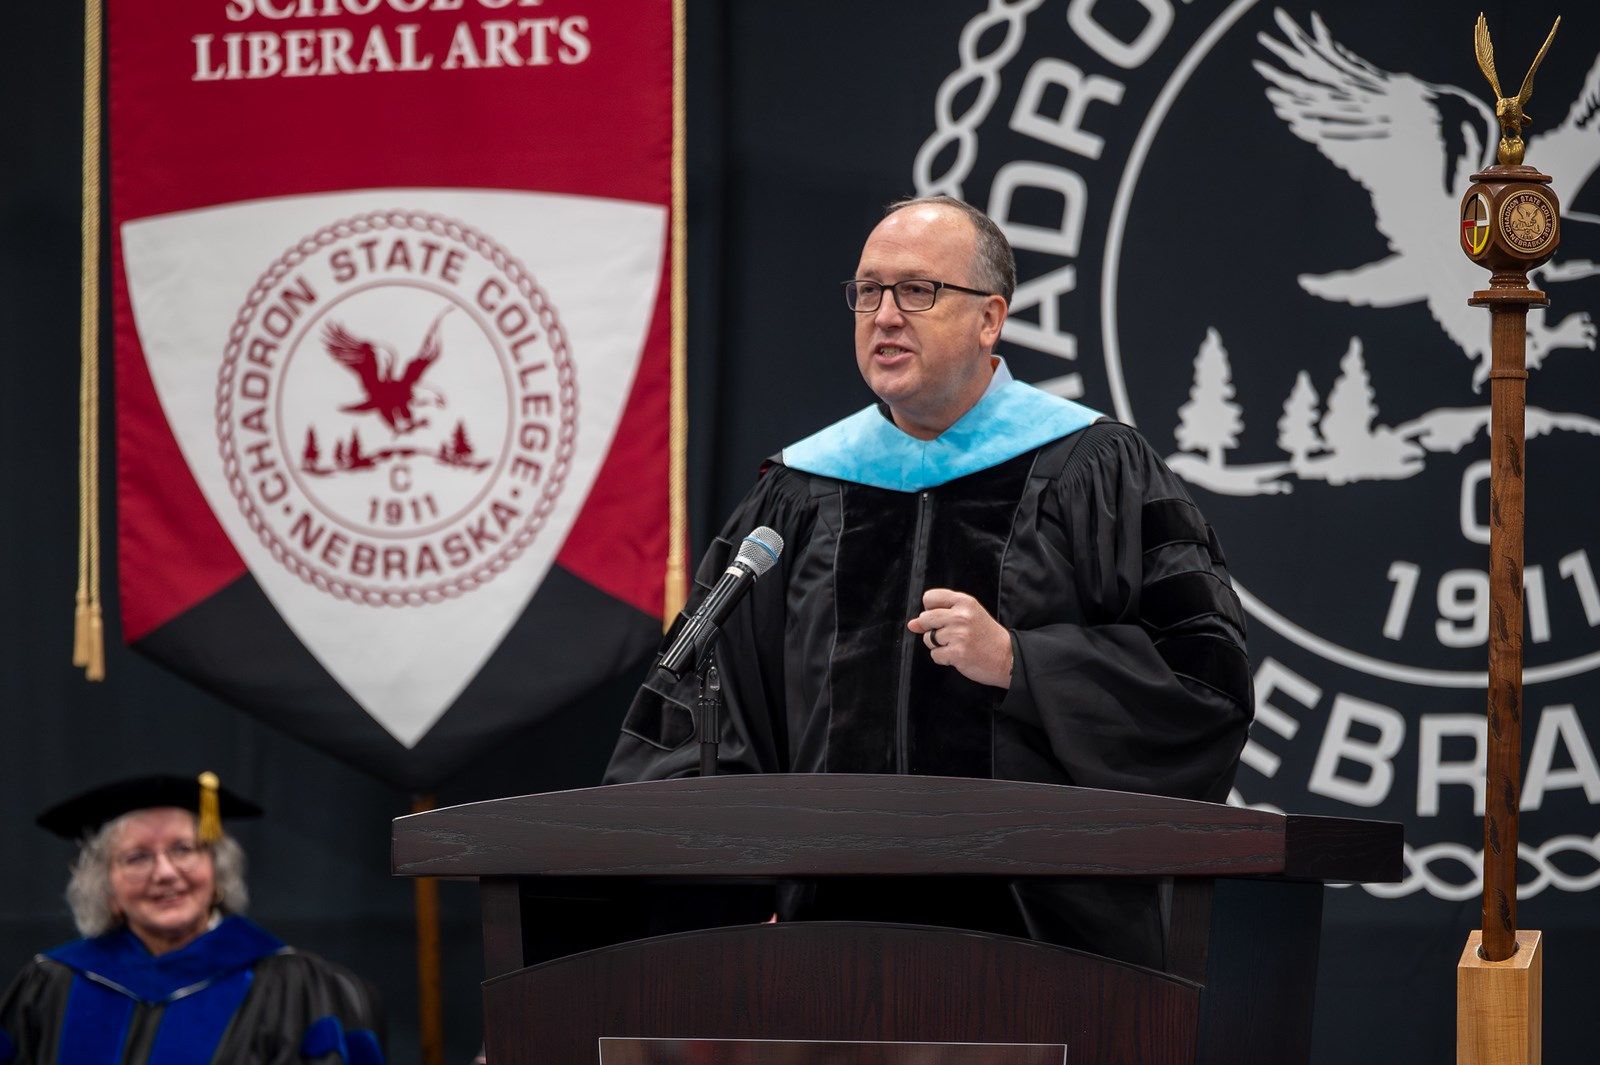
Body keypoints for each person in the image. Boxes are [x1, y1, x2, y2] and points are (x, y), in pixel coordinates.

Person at [604, 196, 1253, 967]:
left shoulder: (1094, 469)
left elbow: (1205, 679)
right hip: (825, 946)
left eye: (918, 291)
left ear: (991, 318)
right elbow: (691, 715)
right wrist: (738, 895)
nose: (884, 315)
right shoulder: (797, 493)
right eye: (868, 291)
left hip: (1045, 945)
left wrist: (1025, 663)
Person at [0, 773, 383, 1065]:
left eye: (184, 850)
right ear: (107, 887)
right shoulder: (52, 985)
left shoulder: (293, 986)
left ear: (217, 871)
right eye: (137, 857)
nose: (165, 873)